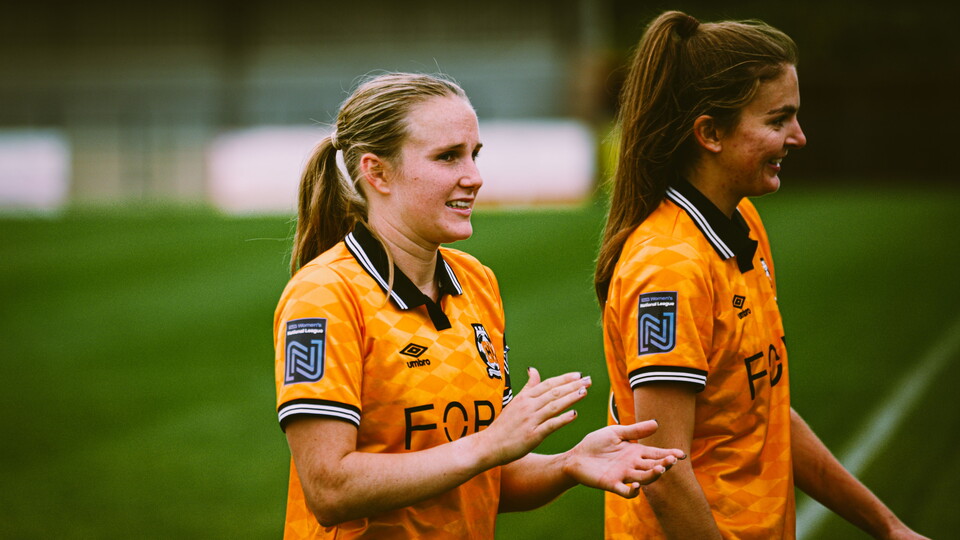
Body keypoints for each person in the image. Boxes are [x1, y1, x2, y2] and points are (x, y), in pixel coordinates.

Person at [273, 72, 685, 539]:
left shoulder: (476, 282)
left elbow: (485, 477)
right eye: (448, 156)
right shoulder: (324, 295)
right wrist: (489, 445)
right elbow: (329, 489)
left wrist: (569, 463)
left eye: (474, 154)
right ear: (377, 172)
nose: (474, 177)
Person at [595, 11, 928, 540]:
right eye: (778, 120)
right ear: (710, 133)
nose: (799, 137)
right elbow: (663, 470)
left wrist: (888, 527)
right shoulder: (668, 267)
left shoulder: (742, 221)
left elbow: (764, 412)